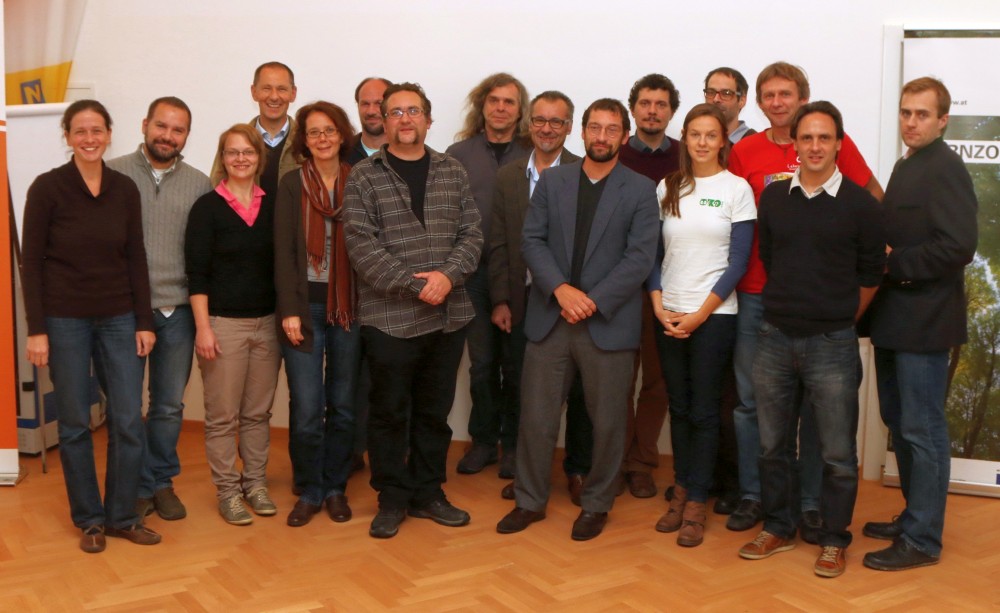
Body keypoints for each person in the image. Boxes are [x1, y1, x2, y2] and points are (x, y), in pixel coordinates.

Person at [726, 62, 884, 539]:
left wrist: (839, 311)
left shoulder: (852, 191)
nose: (777, 101)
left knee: (827, 431)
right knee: (761, 420)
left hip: (828, 327)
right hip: (766, 309)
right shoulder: (760, 173)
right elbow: (769, 248)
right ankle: (764, 508)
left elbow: (870, 260)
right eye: (768, 94)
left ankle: (817, 512)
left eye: (786, 93)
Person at [496, 98, 659, 541]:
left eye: (611, 130)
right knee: (537, 417)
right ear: (581, 132)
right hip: (550, 318)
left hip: (607, 324)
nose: (601, 137)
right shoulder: (554, 182)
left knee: (608, 424)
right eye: (595, 128)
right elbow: (532, 241)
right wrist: (561, 290)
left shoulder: (642, 190)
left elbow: (640, 257)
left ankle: (597, 503)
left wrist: (592, 300)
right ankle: (530, 500)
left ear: (623, 137)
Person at [344, 83, 483, 539]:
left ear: (428, 119)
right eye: (396, 112)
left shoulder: (452, 170)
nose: (406, 119)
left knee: (433, 412)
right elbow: (361, 246)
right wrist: (415, 284)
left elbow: (472, 235)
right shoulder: (364, 175)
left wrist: (448, 276)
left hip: (447, 317)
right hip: (389, 319)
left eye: (414, 111)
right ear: (383, 121)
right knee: (387, 413)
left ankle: (428, 493)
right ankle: (392, 499)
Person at [22, 99, 160, 552]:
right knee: (76, 423)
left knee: (125, 419)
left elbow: (135, 256)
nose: (89, 138)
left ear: (109, 133)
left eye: (97, 130)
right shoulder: (47, 188)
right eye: (79, 131)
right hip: (63, 321)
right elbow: (31, 264)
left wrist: (143, 320)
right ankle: (90, 521)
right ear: (67, 136)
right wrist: (37, 329)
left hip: (120, 316)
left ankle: (122, 516)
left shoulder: (124, 188)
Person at [864, 77, 978, 572]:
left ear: (943, 119)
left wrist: (893, 262)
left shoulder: (947, 169)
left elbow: (958, 247)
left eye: (922, 114)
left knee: (923, 429)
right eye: (906, 113)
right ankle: (914, 515)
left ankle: (923, 539)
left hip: (926, 321)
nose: (912, 122)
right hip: (894, 319)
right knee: (900, 422)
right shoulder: (907, 164)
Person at [649, 104, 755, 547]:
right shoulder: (668, 186)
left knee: (707, 410)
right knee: (680, 406)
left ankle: (696, 503)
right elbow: (652, 254)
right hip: (668, 312)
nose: (703, 142)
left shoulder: (738, 189)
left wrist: (701, 312)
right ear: (686, 139)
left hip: (714, 316)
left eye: (711, 134)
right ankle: (680, 490)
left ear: (722, 140)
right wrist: (657, 303)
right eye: (695, 134)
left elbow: (739, 262)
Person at [106, 96, 211, 522]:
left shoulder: (200, 183)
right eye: (162, 126)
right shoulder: (112, 174)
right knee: (126, 408)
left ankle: (159, 483)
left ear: (187, 135)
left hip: (179, 313)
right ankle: (131, 486)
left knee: (168, 407)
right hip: (124, 312)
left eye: (178, 129)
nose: (168, 136)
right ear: (146, 124)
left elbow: (203, 253)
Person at [489, 91, 594, 506]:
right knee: (522, 388)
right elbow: (498, 242)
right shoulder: (510, 176)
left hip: (571, 303)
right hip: (522, 300)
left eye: (557, 122)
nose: (547, 129)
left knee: (581, 393)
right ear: (528, 125)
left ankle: (578, 469)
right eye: (540, 121)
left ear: (569, 128)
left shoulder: (583, 172)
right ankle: (526, 469)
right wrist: (500, 299)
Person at [186, 124, 282, 526]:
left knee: (258, 414)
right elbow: (197, 275)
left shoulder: (274, 204)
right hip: (223, 325)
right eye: (232, 152)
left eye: (248, 152)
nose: (240, 159)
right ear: (222, 158)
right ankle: (228, 491)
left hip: (267, 325)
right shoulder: (206, 207)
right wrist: (203, 329)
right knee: (223, 416)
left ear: (259, 158)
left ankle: (255, 483)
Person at [274, 101, 362, 527]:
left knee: (343, 405)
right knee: (308, 407)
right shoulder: (292, 184)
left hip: (349, 306)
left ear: (342, 135)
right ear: (303, 140)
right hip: (303, 307)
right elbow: (283, 252)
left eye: (329, 130)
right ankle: (309, 490)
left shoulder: (361, 180)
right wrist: (289, 309)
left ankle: (335, 488)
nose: (322, 138)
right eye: (313, 132)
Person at [448, 73, 532, 478]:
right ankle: (483, 441)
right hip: (472, 276)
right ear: (482, 105)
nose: (501, 107)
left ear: (521, 111)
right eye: (494, 100)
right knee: (481, 364)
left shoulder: (536, 152)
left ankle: (514, 445)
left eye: (509, 102)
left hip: (520, 277)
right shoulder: (457, 154)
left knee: (517, 365)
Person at [618, 73, 681, 498]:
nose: (652, 110)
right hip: (621, 286)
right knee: (619, 379)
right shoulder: (615, 155)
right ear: (633, 109)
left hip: (671, 285)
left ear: (671, 111)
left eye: (661, 104)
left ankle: (641, 463)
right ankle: (615, 459)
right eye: (645, 103)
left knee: (657, 382)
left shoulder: (686, 156)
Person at [346, 76, 392, 474]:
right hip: (345, 287)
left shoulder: (412, 157)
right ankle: (351, 452)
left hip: (395, 288)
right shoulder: (337, 152)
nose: (373, 109)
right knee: (352, 378)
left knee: (390, 379)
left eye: (381, 102)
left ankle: (390, 455)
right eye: (366, 102)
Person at [211, 61, 300, 197]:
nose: (274, 96)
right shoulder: (234, 142)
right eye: (266, 88)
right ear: (254, 92)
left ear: (293, 93)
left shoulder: (306, 141)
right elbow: (216, 187)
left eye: (282, 89)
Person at [704, 67, 756, 143]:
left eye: (726, 93)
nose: (716, 99)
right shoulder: (691, 142)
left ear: (742, 100)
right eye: (711, 92)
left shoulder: (755, 144)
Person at [348, 77, 392, 165]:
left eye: (379, 103)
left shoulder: (406, 153)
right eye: (365, 104)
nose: (371, 111)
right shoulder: (342, 154)